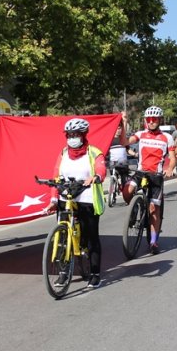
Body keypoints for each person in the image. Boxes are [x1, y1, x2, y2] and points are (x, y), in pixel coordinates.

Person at [51, 117, 107, 288]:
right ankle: (63, 272)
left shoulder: (94, 152)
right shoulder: (63, 153)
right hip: (66, 198)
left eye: (75, 134)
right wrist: (53, 198)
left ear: (83, 135)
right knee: (62, 237)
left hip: (87, 199)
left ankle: (95, 273)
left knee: (91, 238)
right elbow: (56, 175)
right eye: (69, 135)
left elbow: (101, 168)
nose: (72, 138)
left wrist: (96, 177)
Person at [123, 106, 176, 254]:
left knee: (154, 210)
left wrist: (170, 168)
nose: (151, 122)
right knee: (127, 191)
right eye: (149, 120)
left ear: (159, 120)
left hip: (156, 176)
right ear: (145, 121)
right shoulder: (140, 134)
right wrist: (123, 122)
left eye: (154, 119)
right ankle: (133, 211)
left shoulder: (167, 137)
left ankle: (153, 241)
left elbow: (172, 158)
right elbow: (125, 141)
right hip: (141, 172)